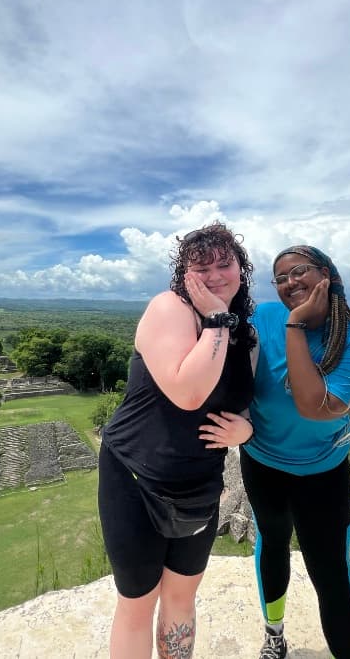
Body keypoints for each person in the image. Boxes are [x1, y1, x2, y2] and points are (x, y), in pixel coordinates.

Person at [98, 222, 256, 659]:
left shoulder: (242, 332)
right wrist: (218, 319)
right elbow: (189, 394)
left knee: (182, 597)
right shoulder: (169, 309)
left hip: (198, 484)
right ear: (183, 274)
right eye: (201, 266)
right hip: (136, 477)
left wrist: (245, 430)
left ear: (241, 271)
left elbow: (242, 401)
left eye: (225, 264)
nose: (215, 275)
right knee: (138, 602)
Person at [241, 245, 350, 659]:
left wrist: (296, 326)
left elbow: (315, 406)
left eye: (299, 271)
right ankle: (274, 633)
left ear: (326, 274)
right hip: (262, 464)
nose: (290, 283)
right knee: (271, 545)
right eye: (281, 277)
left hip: (322, 475)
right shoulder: (263, 316)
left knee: (332, 576)